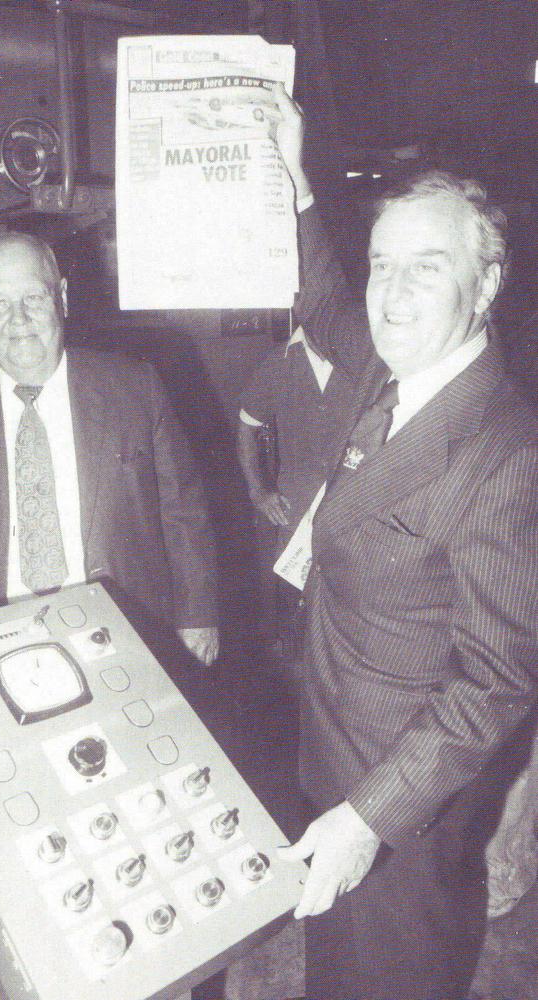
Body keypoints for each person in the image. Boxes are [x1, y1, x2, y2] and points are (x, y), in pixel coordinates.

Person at [271, 85, 538, 1000]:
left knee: (388, 976)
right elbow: (326, 296)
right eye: (386, 263)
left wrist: (366, 820)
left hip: (399, 807)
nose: (392, 291)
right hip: (328, 746)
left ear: (487, 283)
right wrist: (296, 173)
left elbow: (496, 678)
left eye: (426, 268)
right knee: (332, 967)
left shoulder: (504, 450)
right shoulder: (389, 363)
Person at [0, 233, 219, 665]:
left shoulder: (135, 387)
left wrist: (198, 616)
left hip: (123, 629)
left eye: (33, 297)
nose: (18, 319)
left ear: (61, 295)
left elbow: (183, 511)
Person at [237, 325, 355, 658]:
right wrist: (259, 491)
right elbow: (246, 428)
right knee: (293, 603)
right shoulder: (281, 362)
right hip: (296, 506)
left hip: (349, 502)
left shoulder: (364, 356)